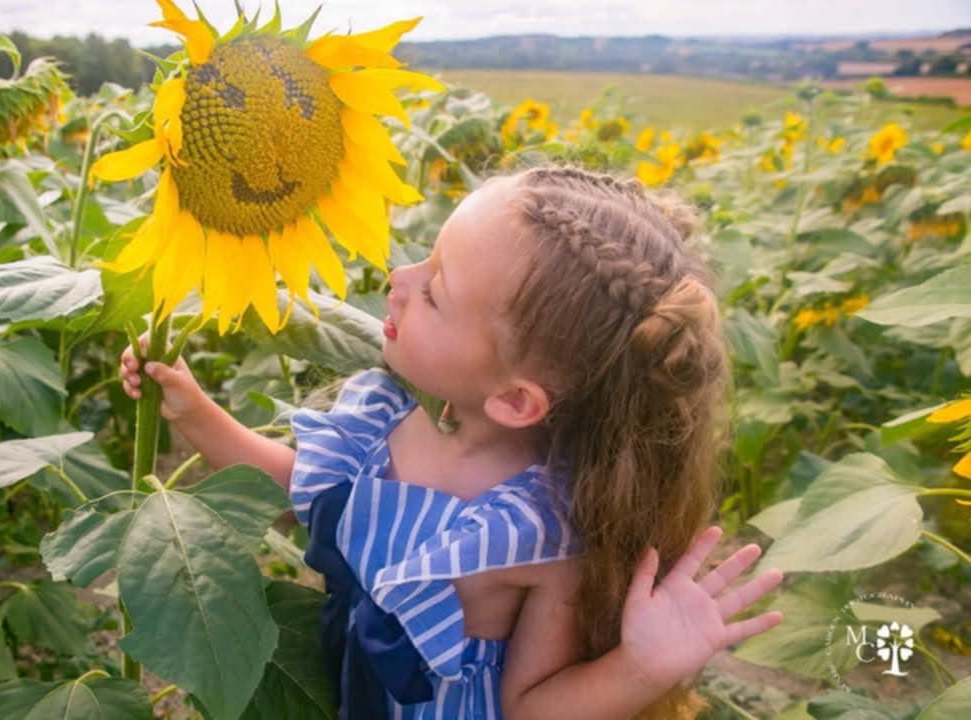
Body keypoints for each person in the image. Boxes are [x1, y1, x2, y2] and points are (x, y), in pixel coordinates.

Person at [120, 165, 785, 720]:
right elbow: (299, 492)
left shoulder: (539, 533)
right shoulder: (384, 420)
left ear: (516, 399)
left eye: (434, 291)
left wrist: (641, 668)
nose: (398, 279)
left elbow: (531, 705)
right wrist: (194, 410)